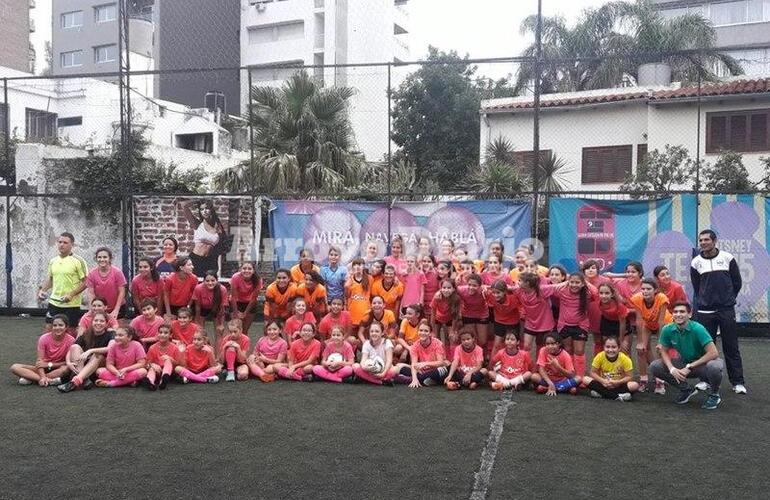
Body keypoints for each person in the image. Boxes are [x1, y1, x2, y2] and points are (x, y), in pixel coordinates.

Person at [690, 229, 746, 395]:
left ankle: (738, 382)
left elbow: (737, 282)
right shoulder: (696, 262)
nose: (703, 243)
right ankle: (704, 380)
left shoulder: (727, 258)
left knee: (731, 346)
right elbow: (697, 287)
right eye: (701, 240)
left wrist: (728, 299)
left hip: (726, 309)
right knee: (706, 346)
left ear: (714, 241)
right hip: (705, 311)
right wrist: (705, 301)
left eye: (706, 240)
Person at [649, 302, 725, 410]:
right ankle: (686, 389)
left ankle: (714, 395)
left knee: (715, 367)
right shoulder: (667, 329)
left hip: (704, 365)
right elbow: (663, 350)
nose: (678, 314)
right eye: (675, 312)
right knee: (655, 366)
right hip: (685, 364)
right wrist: (672, 369)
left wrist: (690, 367)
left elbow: (713, 353)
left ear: (689, 314)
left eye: (682, 311)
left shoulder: (698, 328)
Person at [38, 232, 88, 331]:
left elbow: (86, 282)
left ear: (72, 245)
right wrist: (42, 291)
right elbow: (51, 279)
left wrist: (71, 294)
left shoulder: (78, 261)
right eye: (60, 242)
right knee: (48, 330)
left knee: (70, 332)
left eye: (65, 242)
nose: (61, 244)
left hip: (71, 305)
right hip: (54, 303)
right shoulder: (53, 261)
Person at [630, 278, 672, 393]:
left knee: (661, 350)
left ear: (655, 290)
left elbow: (661, 322)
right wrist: (640, 342)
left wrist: (660, 342)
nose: (645, 291)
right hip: (648, 324)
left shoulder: (662, 298)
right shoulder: (637, 298)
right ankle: (643, 380)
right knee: (641, 350)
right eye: (643, 289)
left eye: (648, 289)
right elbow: (638, 321)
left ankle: (660, 381)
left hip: (666, 325)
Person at [11, 314, 74, 387]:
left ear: (66, 327)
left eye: (60, 325)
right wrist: (43, 377)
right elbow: (40, 362)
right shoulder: (44, 338)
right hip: (43, 368)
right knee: (14, 367)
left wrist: (49, 364)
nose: (57, 328)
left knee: (66, 369)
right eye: (55, 325)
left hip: (58, 368)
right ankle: (47, 380)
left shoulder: (71, 340)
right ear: (52, 327)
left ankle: (31, 378)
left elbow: (68, 362)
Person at [57, 312, 114, 392]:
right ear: (92, 322)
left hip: (102, 365)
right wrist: (68, 362)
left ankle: (74, 382)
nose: (98, 323)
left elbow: (110, 348)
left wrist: (91, 350)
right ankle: (84, 379)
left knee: (97, 355)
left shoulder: (111, 334)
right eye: (96, 320)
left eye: (101, 321)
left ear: (106, 323)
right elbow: (72, 348)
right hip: (87, 366)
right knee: (75, 347)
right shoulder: (87, 333)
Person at [583, 336, 639, 401]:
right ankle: (617, 396)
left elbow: (630, 377)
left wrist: (617, 382)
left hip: (619, 385)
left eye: (614, 347)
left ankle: (601, 394)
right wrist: (603, 381)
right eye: (607, 347)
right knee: (585, 379)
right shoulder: (599, 356)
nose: (610, 350)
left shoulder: (625, 359)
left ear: (619, 348)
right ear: (604, 347)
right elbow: (592, 373)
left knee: (635, 385)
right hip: (604, 384)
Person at [184, 200, 229, 278]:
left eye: (206, 208)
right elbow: (184, 206)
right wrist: (197, 200)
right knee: (193, 283)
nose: (204, 211)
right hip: (196, 259)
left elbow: (221, 249)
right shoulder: (197, 224)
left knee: (208, 285)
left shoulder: (218, 227)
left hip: (210, 261)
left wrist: (219, 267)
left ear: (211, 210)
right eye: (201, 209)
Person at [400, 319, 448, 388]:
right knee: (403, 369)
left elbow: (441, 362)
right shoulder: (415, 346)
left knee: (443, 370)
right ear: (418, 331)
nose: (423, 333)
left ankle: (411, 379)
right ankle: (422, 379)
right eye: (421, 330)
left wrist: (425, 363)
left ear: (430, 333)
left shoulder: (437, 343)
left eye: (426, 331)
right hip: (424, 371)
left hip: (436, 369)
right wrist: (414, 379)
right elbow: (414, 364)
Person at [85, 247, 127, 320]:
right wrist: (92, 309)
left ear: (110, 258)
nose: (102, 259)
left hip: (117, 307)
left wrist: (116, 310)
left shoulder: (117, 272)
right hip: (100, 309)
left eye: (105, 257)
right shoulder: (92, 274)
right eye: (99, 257)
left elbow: (122, 292)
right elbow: (91, 293)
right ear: (96, 259)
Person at [483, 280, 521, 358]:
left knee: (511, 345)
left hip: (512, 323)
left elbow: (520, 290)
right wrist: (486, 287)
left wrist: (512, 288)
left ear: (504, 292)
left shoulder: (513, 299)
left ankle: (514, 364)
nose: (495, 295)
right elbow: (482, 287)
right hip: (499, 322)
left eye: (498, 293)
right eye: (494, 292)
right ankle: (491, 365)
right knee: (496, 345)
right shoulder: (490, 296)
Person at [353, 321, 398, 386]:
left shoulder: (387, 342)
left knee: (394, 370)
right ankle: (381, 382)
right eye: (372, 331)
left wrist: (383, 373)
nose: (374, 333)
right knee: (355, 366)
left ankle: (367, 379)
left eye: (377, 331)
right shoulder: (366, 343)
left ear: (382, 333)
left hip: (383, 369)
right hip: (370, 369)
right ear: (369, 333)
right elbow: (363, 360)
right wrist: (366, 368)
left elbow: (389, 361)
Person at [191, 271, 228, 340]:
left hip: (216, 309)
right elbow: (197, 307)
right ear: (203, 281)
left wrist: (221, 324)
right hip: (202, 308)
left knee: (219, 332)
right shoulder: (198, 288)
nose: (210, 283)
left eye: (213, 280)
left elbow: (222, 309)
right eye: (207, 281)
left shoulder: (222, 289)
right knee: (200, 331)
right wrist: (197, 321)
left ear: (217, 281)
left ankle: (217, 350)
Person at [145, 323, 181, 390]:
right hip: (157, 371)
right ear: (157, 334)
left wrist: (170, 359)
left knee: (168, 360)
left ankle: (163, 380)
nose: (162, 335)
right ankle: (150, 382)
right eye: (160, 332)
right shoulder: (152, 348)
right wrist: (152, 365)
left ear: (170, 335)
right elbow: (147, 364)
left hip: (170, 373)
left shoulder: (174, 347)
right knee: (151, 369)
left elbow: (179, 364)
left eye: (165, 333)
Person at [229, 261, 262, 334]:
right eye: (244, 268)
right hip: (236, 302)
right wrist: (236, 313)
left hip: (250, 303)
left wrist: (245, 313)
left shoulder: (258, 280)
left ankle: (245, 344)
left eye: (249, 269)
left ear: (253, 271)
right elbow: (233, 297)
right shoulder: (235, 277)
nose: (246, 271)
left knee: (244, 330)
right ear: (240, 269)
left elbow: (254, 298)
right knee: (235, 329)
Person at [430, 279, 460, 350]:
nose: (446, 290)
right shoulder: (437, 297)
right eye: (444, 288)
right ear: (441, 289)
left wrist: (453, 330)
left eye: (449, 288)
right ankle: (439, 355)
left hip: (449, 320)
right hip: (438, 319)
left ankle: (451, 357)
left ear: (453, 289)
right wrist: (433, 331)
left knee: (451, 338)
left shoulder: (456, 299)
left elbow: (455, 316)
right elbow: (433, 315)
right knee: (436, 339)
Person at [345, 258, 370, 339]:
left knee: (364, 339)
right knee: (351, 339)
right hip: (352, 313)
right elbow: (346, 297)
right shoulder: (350, 280)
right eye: (355, 265)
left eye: (359, 265)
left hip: (365, 314)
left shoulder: (370, 278)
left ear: (363, 267)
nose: (357, 267)